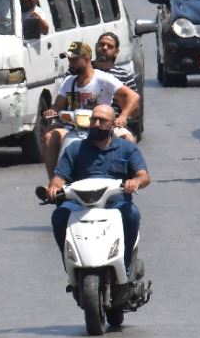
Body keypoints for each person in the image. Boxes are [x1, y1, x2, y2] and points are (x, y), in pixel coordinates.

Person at [44, 103, 150, 274]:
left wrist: (135, 182)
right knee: (59, 215)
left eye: (102, 120)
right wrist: (54, 188)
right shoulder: (75, 149)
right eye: (94, 119)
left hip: (114, 202)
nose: (96, 123)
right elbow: (59, 178)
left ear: (113, 123)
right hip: (79, 203)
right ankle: (70, 263)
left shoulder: (126, 148)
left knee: (132, 214)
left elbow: (144, 176)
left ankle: (127, 262)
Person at [41, 42, 140, 179]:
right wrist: (52, 111)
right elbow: (57, 106)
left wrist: (123, 116)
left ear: (86, 59)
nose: (70, 63)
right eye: (69, 60)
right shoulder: (69, 81)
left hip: (103, 127)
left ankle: (129, 179)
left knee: (127, 138)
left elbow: (133, 96)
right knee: (49, 137)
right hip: (74, 128)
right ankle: (54, 184)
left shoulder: (102, 79)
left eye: (74, 60)